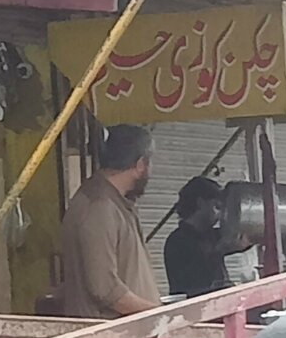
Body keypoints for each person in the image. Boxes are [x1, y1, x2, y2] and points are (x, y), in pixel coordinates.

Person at [62, 124, 159, 319]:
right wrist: (160, 314)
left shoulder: (117, 203)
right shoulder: (99, 206)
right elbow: (105, 290)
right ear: (140, 165)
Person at [164, 175, 247, 298]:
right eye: (217, 207)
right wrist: (219, 251)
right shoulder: (177, 241)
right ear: (201, 203)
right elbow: (196, 280)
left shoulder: (211, 235)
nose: (220, 215)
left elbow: (241, 236)